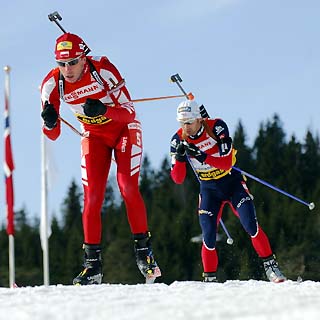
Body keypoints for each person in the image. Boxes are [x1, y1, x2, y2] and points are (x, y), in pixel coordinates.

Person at [40, 32, 161, 285]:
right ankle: (92, 266)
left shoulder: (103, 69)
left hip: (123, 130)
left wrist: (104, 110)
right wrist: (50, 121)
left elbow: (129, 113)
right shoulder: (52, 84)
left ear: (84, 58)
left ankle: (144, 254)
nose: (67, 69)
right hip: (94, 136)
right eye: (61, 64)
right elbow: (52, 135)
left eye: (73, 62)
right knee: (92, 196)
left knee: (127, 186)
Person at [169, 99, 286, 283]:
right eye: (182, 123)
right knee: (208, 234)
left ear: (199, 119)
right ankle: (210, 279)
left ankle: (270, 266)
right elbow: (178, 178)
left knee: (250, 224)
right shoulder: (178, 139)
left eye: (189, 122)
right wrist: (180, 156)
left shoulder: (216, 127)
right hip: (209, 190)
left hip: (232, 184)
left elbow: (225, 164)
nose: (186, 127)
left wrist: (200, 155)